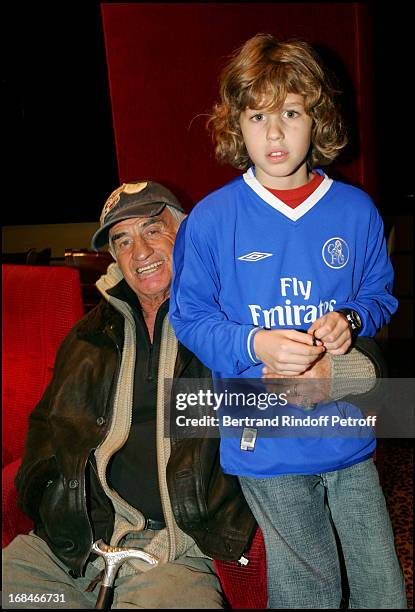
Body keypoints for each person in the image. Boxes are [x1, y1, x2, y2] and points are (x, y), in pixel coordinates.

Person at [2, 181, 387, 610]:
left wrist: (332, 371)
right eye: (123, 241)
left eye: (153, 230)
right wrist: (49, 500)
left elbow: (368, 378)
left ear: (188, 234)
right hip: (67, 550)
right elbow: (46, 427)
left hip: (171, 556)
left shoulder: (228, 321)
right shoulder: (89, 335)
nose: (141, 252)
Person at [169, 35, 407, 608]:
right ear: (236, 124)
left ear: (317, 118)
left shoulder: (356, 211)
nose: (274, 134)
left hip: (348, 435)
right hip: (265, 442)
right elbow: (192, 318)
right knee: (309, 589)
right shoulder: (211, 220)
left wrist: (350, 319)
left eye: (291, 113)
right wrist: (255, 342)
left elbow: (380, 296)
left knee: (384, 589)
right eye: (258, 117)